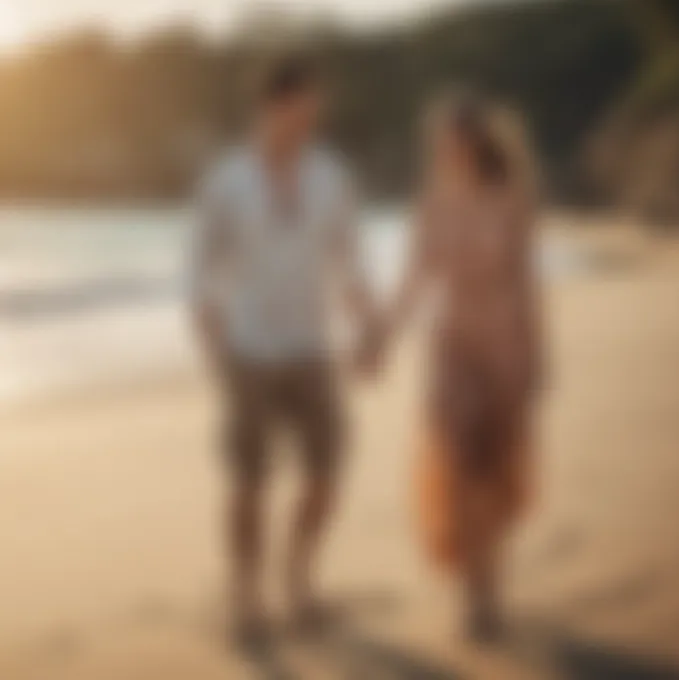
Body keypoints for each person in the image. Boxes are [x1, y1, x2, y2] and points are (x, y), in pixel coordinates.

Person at [190, 54, 378, 643]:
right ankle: (246, 597)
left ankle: (297, 577)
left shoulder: (333, 177)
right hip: (248, 350)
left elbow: (348, 260)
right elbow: (200, 265)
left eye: (315, 109)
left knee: (327, 470)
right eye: (302, 107)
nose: (311, 119)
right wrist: (212, 335)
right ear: (272, 106)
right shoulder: (227, 180)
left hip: (312, 347)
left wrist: (368, 324)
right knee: (249, 480)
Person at [390, 90, 542, 641]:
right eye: (440, 140)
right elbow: (414, 277)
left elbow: (526, 283)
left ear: (476, 141)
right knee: (457, 474)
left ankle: (490, 584)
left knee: (494, 480)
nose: (446, 148)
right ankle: (476, 597)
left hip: (503, 349)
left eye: (455, 137)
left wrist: (536, 358)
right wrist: (382, 332)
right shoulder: (432, 202)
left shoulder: (511, 197)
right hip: (452, 350)